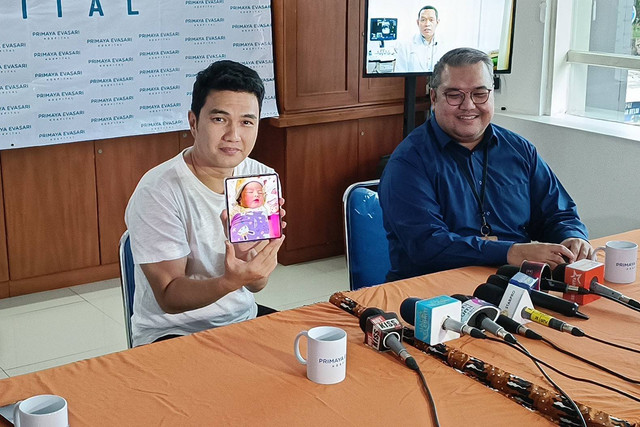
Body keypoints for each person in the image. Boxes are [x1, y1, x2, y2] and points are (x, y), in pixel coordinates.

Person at [379, 47, 591, 281]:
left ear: (492, 95)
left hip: (516, 283)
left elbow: (558, 213)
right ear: (433, 98)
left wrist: (572, 237)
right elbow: (428, 246)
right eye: (454, 95)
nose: (468, 105)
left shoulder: (519, 150)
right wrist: (510, 252)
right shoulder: (408, 163)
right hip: (433, 291)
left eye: (480, 94)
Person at [125, 60, 285, 346]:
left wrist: (250, 261)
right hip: (173, 332)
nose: (233, 136)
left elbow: (258, 284)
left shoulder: (258, 179)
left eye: (247, 121)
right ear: (193, 122)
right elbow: (169, 297)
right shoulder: (158, 190)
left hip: (241, 319)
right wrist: (230, 280)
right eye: (219, 119)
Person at [229, 177, 280, 242]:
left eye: (260, 192)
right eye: (250, 192)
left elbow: (273, 221)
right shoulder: (236, 210)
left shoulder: (265, 208)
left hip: (262, 242)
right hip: (240, 243)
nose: (256, 195)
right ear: (240, 199)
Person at [394, 5, 441, 73]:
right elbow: (400, 74)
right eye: (423, 20)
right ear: (418, 22)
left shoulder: (446, 45)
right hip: (413, 83)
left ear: (437, 22)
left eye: (431, 20)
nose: (427, 24)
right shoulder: (405, 45)